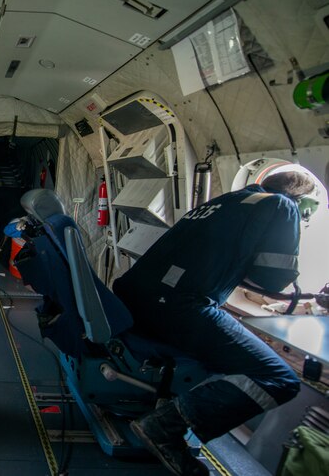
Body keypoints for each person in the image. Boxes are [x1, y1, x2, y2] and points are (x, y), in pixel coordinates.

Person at [112, 171, 316, 476]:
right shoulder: (282, 206)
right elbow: (271, 276)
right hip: (180, 306)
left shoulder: (228, 200)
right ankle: (164, 428)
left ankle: (172, 415)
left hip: (136, 297)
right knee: (279, 378)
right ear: (300, 200)